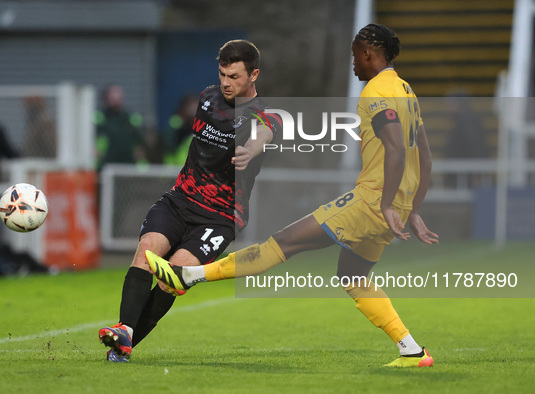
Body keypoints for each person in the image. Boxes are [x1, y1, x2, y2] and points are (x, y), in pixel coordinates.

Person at [147, 24, 439, 368]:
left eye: (354, 56)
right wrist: (412, 209)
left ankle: (188, 276)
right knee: (353, 276)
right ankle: (411, 351)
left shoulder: (376, 91)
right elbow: (426, 155)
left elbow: (395, 150)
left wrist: (386, 203)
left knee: (284, 242)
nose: (353, 64)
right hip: (396, 206)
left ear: (368, 54)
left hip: (374, 202)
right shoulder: (405, 91)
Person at [98, 39, 279, 362]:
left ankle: (125, 343)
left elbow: (265, 132)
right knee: (147, 249)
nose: (226, 82)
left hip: (221, 216)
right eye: (223, 73)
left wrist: (251, 149)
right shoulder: (207, 97)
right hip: (180, 200)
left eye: (234, 76)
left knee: (173, 278)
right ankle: (124, 330)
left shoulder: (264, 114)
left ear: (254, 75)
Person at [95, 85, 146, 170]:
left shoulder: (129, 119)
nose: (115, 102)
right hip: (107, 168)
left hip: (127, 167)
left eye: (118, 99)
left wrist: (140, 167)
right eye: (113, 99)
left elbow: (138, 146)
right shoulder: (100, 120)